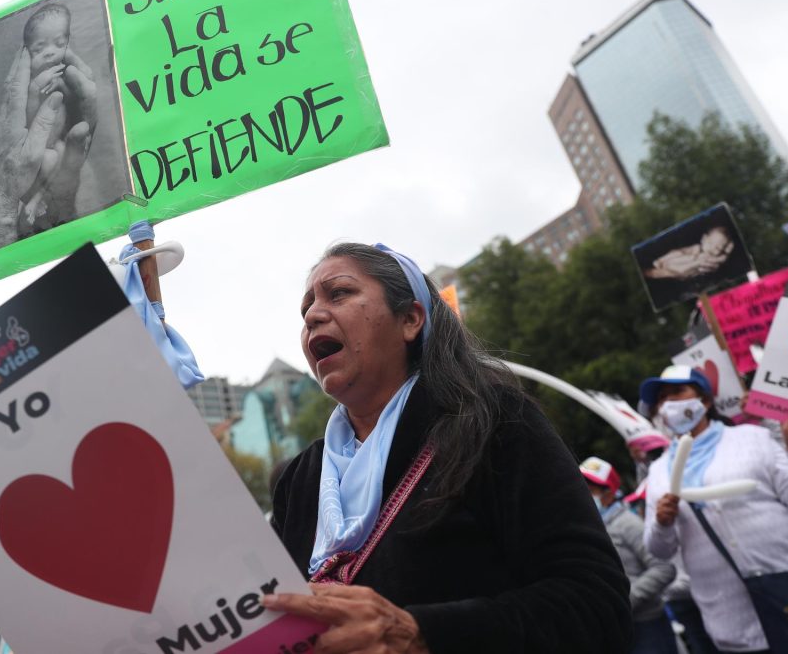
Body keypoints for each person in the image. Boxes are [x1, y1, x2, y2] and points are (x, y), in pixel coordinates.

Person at [266, 243, 632, 652]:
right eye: (305, 309)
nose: (313, 315)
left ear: (409, 320)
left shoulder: (493, 421)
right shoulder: (301, 479)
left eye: (340, 293)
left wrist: (418, 632)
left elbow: (597, 602)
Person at [641, 365, 788, 653]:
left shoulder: (752, 439)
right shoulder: (656, 473)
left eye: (678, 392)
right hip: (734, 625)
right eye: (662, 398)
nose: (669, 404)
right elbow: (659, 550)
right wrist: (662, 524)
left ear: (704, 400)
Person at [580, 457, 678, 654]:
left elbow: (664, 567)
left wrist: (625, 600)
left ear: (609, 494)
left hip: (646, 626)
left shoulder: (629, 524)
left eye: (590, 491)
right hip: (612, 630)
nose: (582, 496)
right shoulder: (586, 530)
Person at [17, 3, 97, 234]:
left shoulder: (68, 71)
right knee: (46, 158)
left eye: (59, 44)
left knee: (58, 154)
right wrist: (34, 90)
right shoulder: (28, 81)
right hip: (35, 148)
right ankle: (30, 201)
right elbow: (28, 116)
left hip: (57, 146)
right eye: (39, 49)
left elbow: (74, 99)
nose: (50, 52)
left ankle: (36, 201)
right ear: (26, 54)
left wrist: (68, 66)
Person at [645, 226, 734, 281]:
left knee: (684, 266)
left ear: (723, 250)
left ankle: (656, 271)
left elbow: (723, 258)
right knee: (678, 252)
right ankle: (660, 260)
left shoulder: (716, 259)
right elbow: (679, 252)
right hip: (674, 262)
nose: (712, 248)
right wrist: (662, 260)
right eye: (711, 243)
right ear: (704, 239)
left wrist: (728, 251)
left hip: (682, 272)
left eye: (718, 248)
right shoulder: (696, 248)